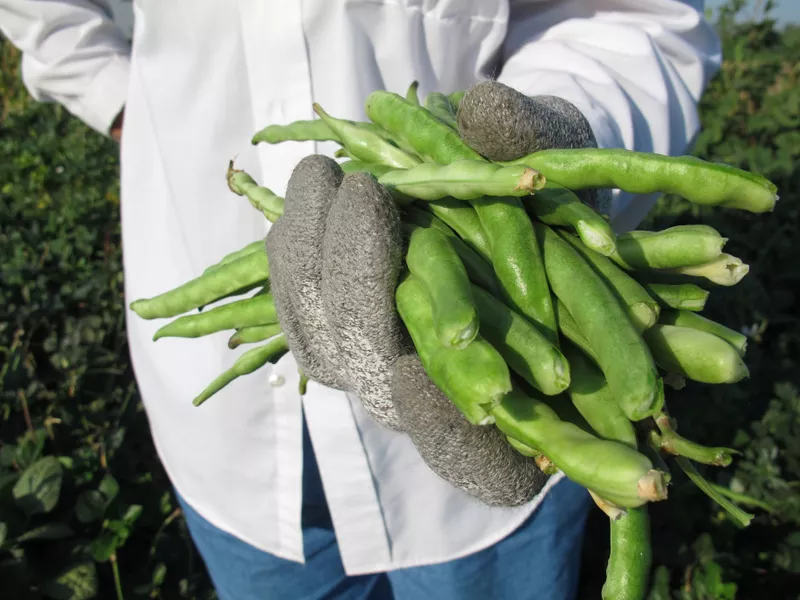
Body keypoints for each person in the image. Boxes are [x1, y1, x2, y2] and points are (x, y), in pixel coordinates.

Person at [0, 2, 722, 598]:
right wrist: (119, 99)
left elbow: (638, 19)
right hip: (232, 449)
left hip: (488, 433)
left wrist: (570, 123)